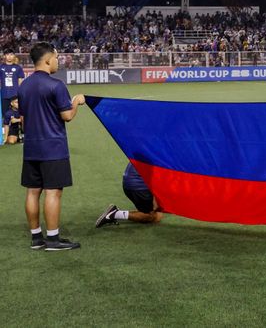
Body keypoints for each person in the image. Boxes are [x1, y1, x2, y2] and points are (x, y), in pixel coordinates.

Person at [18, 42, 86, 250]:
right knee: (53, 192)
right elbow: (66, 116)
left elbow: (22, 120)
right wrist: (76, 102)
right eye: (56, 58)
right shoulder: (56, 85)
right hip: (53, 147)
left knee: (32, 191)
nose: (58, 61)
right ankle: (53, 240)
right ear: (47, 60)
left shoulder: (24, 86)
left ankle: (36, 238)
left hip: (31, 147)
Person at [95, 163, 164, 227]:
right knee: (153, 217)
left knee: (156, 214)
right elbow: (158, 177)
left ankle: (116, 213)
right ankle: (115, 214)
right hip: (139, 187)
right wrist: (155, 199)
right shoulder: (162, 155)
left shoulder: (150, 150)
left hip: (129, 183)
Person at [1, 48, 25, 116]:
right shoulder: (1, 67)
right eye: (7, 54)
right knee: (4, 114)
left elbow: (20, 81)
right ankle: (5, 126)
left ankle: (17, 126)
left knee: (17, 114)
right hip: (4, 95)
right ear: (4, 56)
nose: (9, 56)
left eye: (11, 54)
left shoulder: (18, 68)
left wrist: (20, 93)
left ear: (14, 56)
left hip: (15, 94)